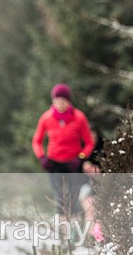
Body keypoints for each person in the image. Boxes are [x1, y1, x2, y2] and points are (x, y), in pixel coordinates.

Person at [31, 83, 95, 239]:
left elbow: (89, 143)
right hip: (54, 163)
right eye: (57, 101)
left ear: (68, 102)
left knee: (73, 197)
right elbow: (36, 141)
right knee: (60, 198)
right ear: (53, 102)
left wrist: (80, 157)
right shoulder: (46, 118)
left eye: (63, 101)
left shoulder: (79, 117)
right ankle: (63, 236)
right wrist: (42, 157)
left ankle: (75, 234)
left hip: (73, 163)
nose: (60, 104)